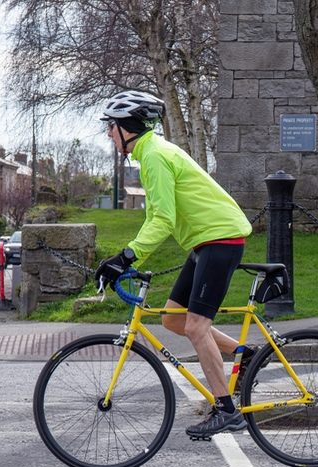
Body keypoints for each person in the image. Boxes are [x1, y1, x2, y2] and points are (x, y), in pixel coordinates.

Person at [95, 90, 255, 439]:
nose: (109, 134)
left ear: (128, 127)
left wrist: (126, 257)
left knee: (196, 326)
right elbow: (156, 217)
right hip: (204, 240)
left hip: (220, 238)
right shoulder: (151, 152)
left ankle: (226, 410)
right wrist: (130, 257)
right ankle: (246, 355)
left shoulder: (153, 155)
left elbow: (163, 221)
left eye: (111, 126)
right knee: (172, 318)